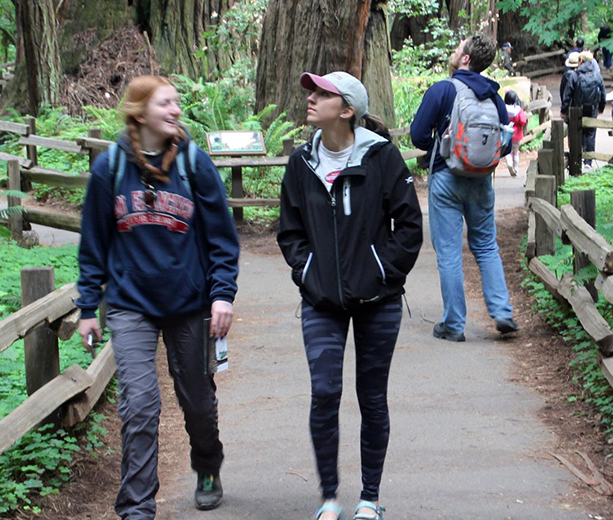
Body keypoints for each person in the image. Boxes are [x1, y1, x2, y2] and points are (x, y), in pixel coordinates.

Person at [75, 75, 241, 519]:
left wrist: (222, 295)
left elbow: (223, 239)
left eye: (177, 103)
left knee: (198, 401)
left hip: (189, 303)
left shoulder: (193, 163)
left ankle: (207, 465)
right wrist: (88, 306)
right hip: (131, 305)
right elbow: (93, 243)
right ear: (139, 111)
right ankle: (137, 508)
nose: (175, 110)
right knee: (141, 405)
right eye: (165, 103)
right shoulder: (109, 167)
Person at [278, 71, 423, 520]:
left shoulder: (382, 159)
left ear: (346, 110)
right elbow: (290, 232)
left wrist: (379, 271)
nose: (311, 98)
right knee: (324, 392)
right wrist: (309, 272)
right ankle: (327, 498)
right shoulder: (301, 164)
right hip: (322, 301)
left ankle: (369, 498)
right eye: (311, 91)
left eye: (322, 94)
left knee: (371, 397)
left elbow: (410, 228)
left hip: (377, 301)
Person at [410, 34, 517, 343]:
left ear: (466, 59)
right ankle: (502, 311)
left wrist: (443, 150)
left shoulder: (444, 90)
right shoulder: (494, 97)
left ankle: (454, 324)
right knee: (486, 246)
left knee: (449, 253)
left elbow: (418, 134)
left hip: (447, 179)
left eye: (458, 48)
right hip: (481, 182)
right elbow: (505, 142)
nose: (454, 52)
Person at [570, 50, 607, 167]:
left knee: (578, 132)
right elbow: (603, 93)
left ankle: (577, 160)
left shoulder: (575, 75)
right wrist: (601, 107)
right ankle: (588, 161)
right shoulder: (597, 76)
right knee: (590, 134)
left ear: (581, 61)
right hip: (592, 108)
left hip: (577, 109)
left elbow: (568, 93)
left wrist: (565, 108)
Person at [504, 90, 529, 176]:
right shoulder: (518, 110)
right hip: (517, 133)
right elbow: (523, 121)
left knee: (508, 152)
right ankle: (515, 168)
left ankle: (509, 163)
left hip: (506, 133)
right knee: (515, 151)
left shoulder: (503, 109)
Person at [559, 51, 580, 119]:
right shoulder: (582, 75)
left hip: (569, 107)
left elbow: (563, 92)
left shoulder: (566, 76)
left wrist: (563, 108)